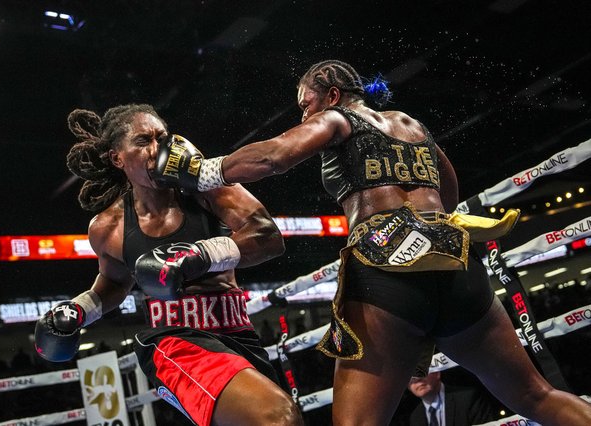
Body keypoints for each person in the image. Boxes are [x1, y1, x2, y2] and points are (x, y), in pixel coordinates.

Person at [151, 60, 591, 425]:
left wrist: (201, 170)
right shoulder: (413, 126)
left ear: (333, 96)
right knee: (537, 398)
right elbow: (449, 189)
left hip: (387, 264)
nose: (305, 117)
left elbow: (274, 156)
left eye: (306, 106)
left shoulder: (338, 119)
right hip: (453, 259)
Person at [33, 104, 304, 426]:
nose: (156, 149)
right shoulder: (108, 228)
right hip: (174, 340)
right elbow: (115, 282)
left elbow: (268, 236)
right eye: (142, 140)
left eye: (162, 138)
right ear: (117, 158)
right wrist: (79, 309)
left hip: (238, 333)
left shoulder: (206, 189)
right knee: (276, 417)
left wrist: (197, 256)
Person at [407, 372, 498, 426]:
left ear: (437, 373)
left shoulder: (469, 398)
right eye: (409, 375)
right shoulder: (415, 417)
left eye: (421, 371)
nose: (416, 379)